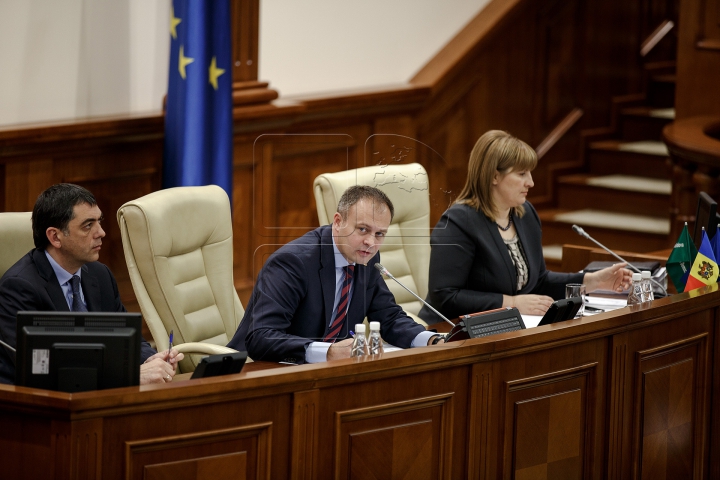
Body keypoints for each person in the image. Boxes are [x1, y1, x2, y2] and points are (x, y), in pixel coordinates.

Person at [419, 130, 632, 323]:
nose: (530, 182)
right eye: (521, 174)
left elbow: (538, 282)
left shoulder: (525, 214)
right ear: (494, 176)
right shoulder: (458, 222)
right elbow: (445, 296)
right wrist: (511, 302)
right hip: (451, 332)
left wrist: (592, 281)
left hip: (508, 327)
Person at [228, 185, 444, 363]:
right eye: (362, 229)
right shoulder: (293, 263)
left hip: (328, 374)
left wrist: (432, 340)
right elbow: (261, 337)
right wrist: (327, 352)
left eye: (379, 234)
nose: (371, 242)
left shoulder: (365, 258)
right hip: (265, 370)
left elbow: (389, 318)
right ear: (338, 222)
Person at [0, 183, 183, 385]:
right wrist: (130, 377)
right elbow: (44, 371)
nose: (101, 232)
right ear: (55, 236)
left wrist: (151, 358)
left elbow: (127, 338)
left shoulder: (99, 275)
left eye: (99, 221)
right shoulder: (18, 288)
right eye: (88, 225)